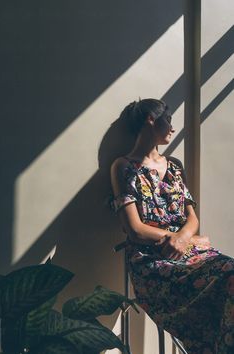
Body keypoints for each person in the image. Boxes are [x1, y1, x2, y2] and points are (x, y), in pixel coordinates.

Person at [110, 98, 234, 354]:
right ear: (151, 120)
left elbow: (192, 218)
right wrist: (188, 239)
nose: (173, 128)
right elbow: (134, 229)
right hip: (153, 262)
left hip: (190, 254)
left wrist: (183, 239)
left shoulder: (175, 167)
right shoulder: (123, 167)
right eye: (169, 120)